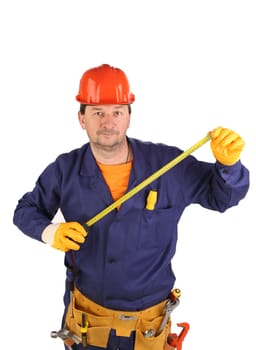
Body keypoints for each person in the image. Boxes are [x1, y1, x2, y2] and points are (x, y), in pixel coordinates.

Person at [13, 63, 249, 350]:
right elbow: (26, 210)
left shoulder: (168, 166)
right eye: (98, 112)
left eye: (117, 112)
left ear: (128, 118)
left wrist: (229, 166)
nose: (108, 122)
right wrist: (50, 232)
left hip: (148, 330)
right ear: (81, 118)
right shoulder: (65, 169)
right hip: (86, 326)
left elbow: (222, 197)